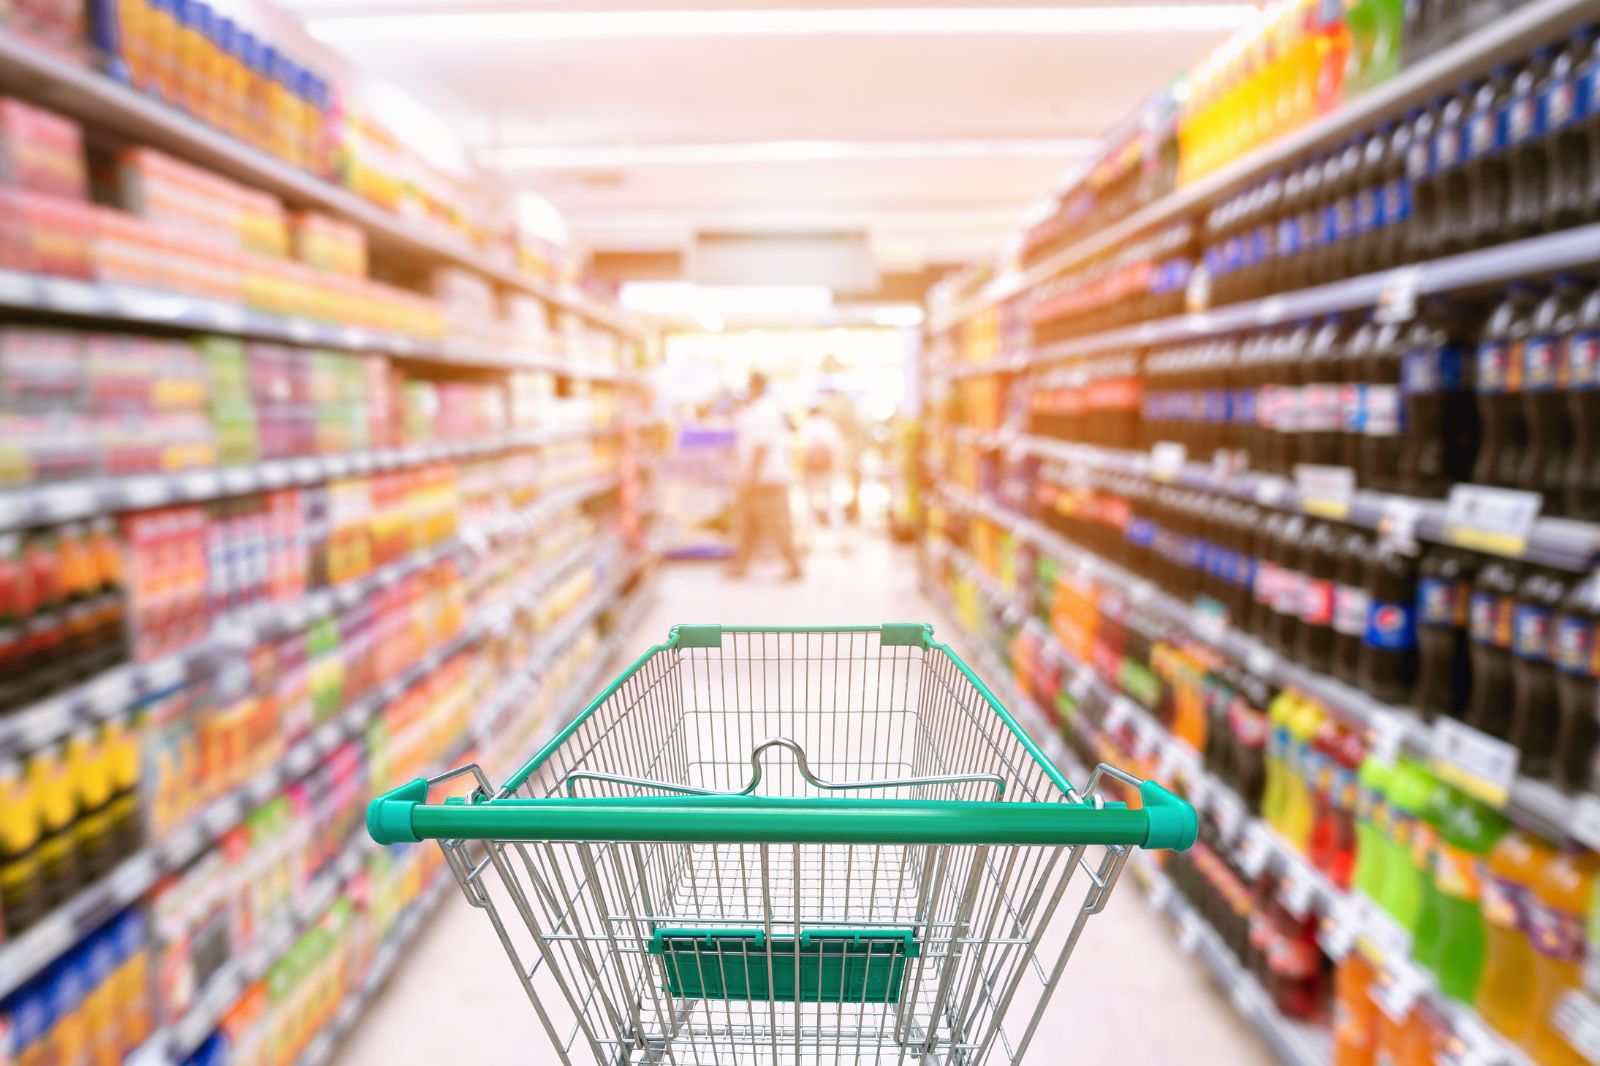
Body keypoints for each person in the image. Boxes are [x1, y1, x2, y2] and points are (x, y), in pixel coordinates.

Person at [728, 373, 802, 580]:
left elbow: (762, 446)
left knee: (775, 523)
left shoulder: (764, 411)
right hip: (760, 478)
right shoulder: (758, 410)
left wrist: (750, 477)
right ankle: (740, 566)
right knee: (748, 523)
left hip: (765, 479)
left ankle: (794, 566)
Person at [799, 405, 848, 550]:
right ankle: (840, 538)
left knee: (809, 505)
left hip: (811, 472)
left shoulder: (807, 426)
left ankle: (808, 539)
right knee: (833, 504)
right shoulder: (829, 426)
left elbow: (804, 450)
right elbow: (835, 449)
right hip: (827, 471)